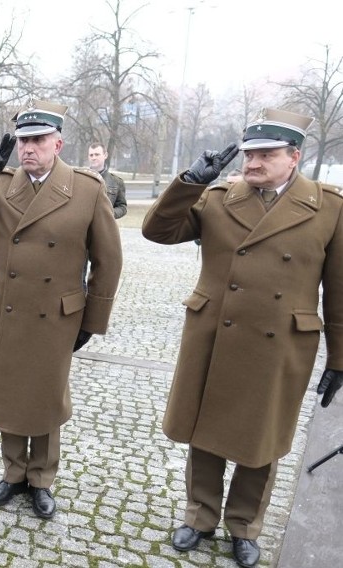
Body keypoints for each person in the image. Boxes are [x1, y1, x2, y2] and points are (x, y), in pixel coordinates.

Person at [141, 107, 343, 568]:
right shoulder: (218, 197)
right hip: (216, 333)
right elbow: (157, 230)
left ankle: (245, 526)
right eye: (248, 154)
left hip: (281, 343)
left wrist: (339, 357)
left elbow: (339, 289)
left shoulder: (329, 207)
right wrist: (188, 181)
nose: (251, 164)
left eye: (264, 155)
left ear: (293, 157)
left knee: (261, 439)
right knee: (206, 431)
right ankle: (200, 516)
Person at [0, 100, 123, 519]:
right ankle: (13, 473)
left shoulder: (87, 188)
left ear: (58, 143)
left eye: (37, 140)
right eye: (22, 140)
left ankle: (41, 479)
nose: (28, 148)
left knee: (46, 396)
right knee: (10, 391)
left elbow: (108, 260)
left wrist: (93, 319)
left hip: (56, 312)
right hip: (7, 308)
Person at [87, 142, 127, 219]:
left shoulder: (117, 182)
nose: (93, 157)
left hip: (105, 228)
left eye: (97, 154)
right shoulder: (80, 178)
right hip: (83, 228)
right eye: (91, 155)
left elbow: (122, 207)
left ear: (105, 155)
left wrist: (109, 214)